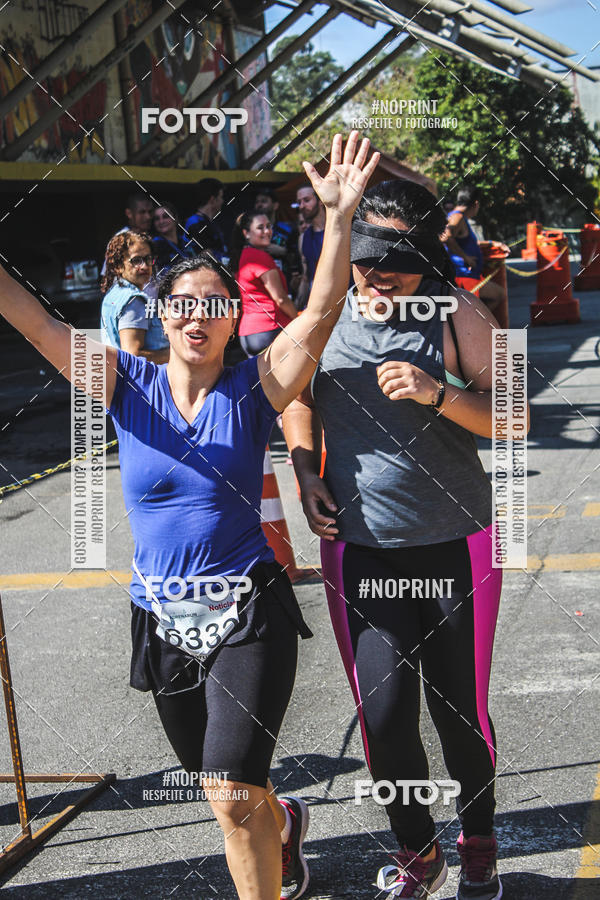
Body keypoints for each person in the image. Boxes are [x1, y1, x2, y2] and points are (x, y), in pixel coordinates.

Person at [0, 131, 380, 900]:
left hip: (248, 609)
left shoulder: (255, 386)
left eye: (214, 303)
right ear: (160, 312)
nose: (197, 316)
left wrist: (337, 219)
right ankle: (285, 826)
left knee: (230, 794)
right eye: (182, 304)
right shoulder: (121, 380)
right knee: (223, 792)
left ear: (234, 315)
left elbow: (322, 309)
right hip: (159, 616)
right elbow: (35, 321)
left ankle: (265, 842)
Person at [284, 177, 529, 900]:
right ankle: (419, 853)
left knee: (459, 710)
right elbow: (293, 399)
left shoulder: (458, 313)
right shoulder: (324, 317)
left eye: (393, 260)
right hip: (360, 547)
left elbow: (512, 417)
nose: (375, 274)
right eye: (363, 257)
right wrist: (304, 471)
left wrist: (440, 393)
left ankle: (478, 843)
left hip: (459, 543)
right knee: (385, 714)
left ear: (427, 255)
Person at [231, 210, 298, 357]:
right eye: (260, 227)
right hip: (270, 329)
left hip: (248, 333)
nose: (267, 231)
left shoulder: (243, 256)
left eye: (269, 226)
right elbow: (281, 298)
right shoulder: (259, 257)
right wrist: (298, 321)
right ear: (246, 233)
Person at [100, 230, 169, 362]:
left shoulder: (114, 293)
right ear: (119, 266)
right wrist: (176, 356)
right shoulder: (134, 300)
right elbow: (133, 356)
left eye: (148, 259)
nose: (144, 266)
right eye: (136, 261)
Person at [444, 185, 505, 315]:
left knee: (490, 299)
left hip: (468, 275)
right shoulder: (458, 217)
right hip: (464, 275)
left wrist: (491, 243)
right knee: (498, 295)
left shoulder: (457, 217)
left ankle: (474, 325)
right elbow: (447, 237)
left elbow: (467, 242)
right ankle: (474, 327)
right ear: (476, 204)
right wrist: (466, 258)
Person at [100, 192, 155, 276]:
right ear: (129, 213)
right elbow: (109, 277)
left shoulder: (151, 237)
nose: (148, 217)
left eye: (150, 212)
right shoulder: (120, 240)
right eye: (142, 212)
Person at [254, 188, 301, 285]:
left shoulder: (287, 230)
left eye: (264, 201)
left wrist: (283, 252)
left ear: (275, 205)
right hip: (258, 282)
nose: (259, 205)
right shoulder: (250, 232)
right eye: (257, 202)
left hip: (283, 283)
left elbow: (298, 257)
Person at [184, 177, 228, 261]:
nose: (222, 201)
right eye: (221, 197)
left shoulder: (210, 222)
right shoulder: (195, 222)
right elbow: (204, 256)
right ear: (212, 199)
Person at [296, 184, 326, 306]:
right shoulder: (303, 237)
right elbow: (306, 277)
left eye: (307, 200)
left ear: (320, 201)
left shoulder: (338, 231)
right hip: (319, 304)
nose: (302, 206)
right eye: (299, 202)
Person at [152, 202, 195, 276]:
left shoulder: (185, 241)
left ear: (175, 218)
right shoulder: (155, 245)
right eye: (157, 219)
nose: (161, 221)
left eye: (165, 216)